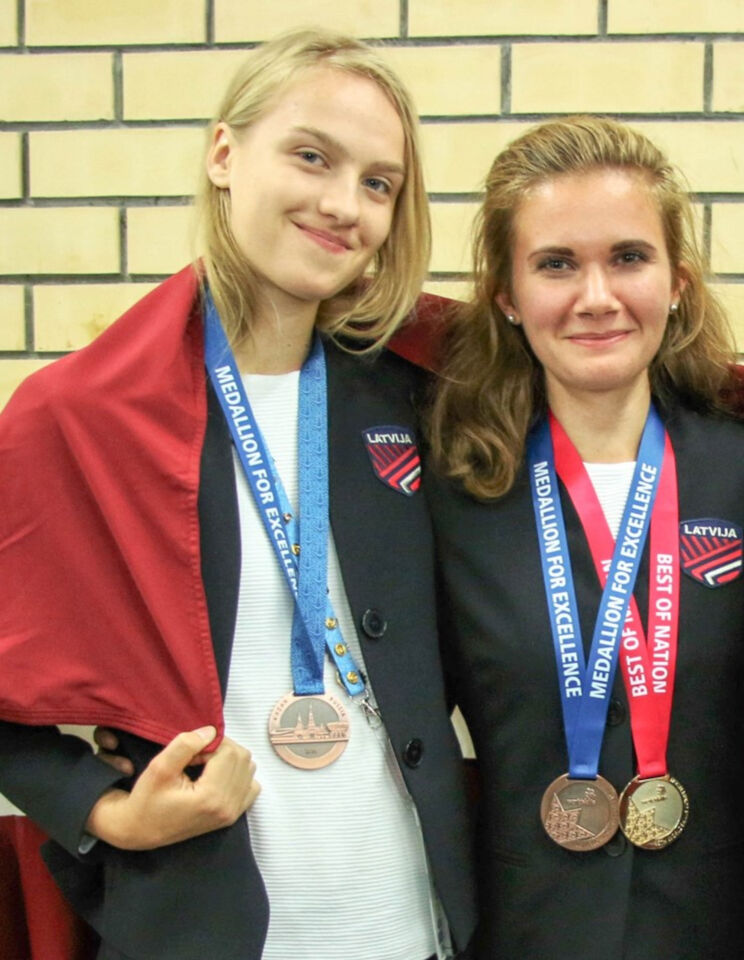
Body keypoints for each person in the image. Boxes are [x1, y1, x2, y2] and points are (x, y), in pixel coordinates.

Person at [0, 29, 475, 959]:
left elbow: (600, 362)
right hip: (203, 926)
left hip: (412, 920)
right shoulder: (84, 414)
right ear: (225, 153)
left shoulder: (418, 392)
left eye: (379, 183)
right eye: (311, 156)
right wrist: (104, 811)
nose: (344, 205)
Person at [424, 116, 744, 959]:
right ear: (506, 294)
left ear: (678, 280)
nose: (597, 296)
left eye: (628, 257)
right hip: (524, 923)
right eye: (556, 264)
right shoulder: (452, 492)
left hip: (720, 926)